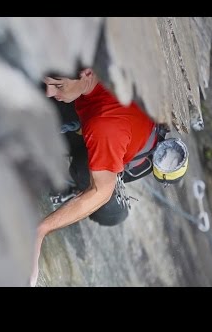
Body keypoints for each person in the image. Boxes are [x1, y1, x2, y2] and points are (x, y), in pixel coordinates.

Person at [30, 67, 164, 287]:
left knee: (108, 209)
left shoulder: (105, 125)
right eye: (50, 83)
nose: (50, 91)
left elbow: (101, 192)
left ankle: (76, 185)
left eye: (58, 85)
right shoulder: (91, 71)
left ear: (88, 73)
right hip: (101, 115)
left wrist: (41, 231)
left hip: (117, 141)